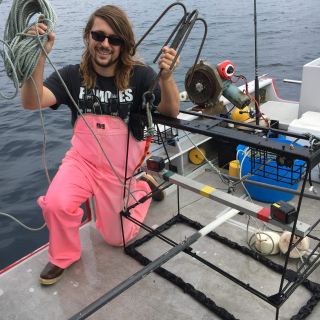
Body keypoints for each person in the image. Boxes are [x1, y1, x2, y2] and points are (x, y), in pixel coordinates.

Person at [20, 5, 180, 285]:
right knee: (56, 204)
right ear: (88, 36)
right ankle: (63, 256)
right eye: (99, 35)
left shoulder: (141, 74)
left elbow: (170, 111)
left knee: (117, 239)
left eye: (115, 39)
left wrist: (166, 78)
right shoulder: (72, 75)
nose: (105, 44)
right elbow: (31, 101)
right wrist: (36, 55)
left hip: (120, 169)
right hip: (81, 161)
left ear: (124, 44)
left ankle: (142, 186)